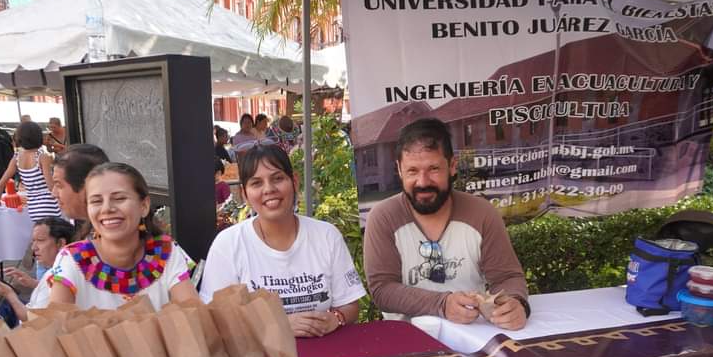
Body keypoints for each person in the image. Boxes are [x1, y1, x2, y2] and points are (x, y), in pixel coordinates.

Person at [364, 117, 529, 329]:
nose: (423, 182)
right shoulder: (383, 217)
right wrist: (442, 304)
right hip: (406, 335)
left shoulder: (482, 213)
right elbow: (382, 290)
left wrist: (516, 303)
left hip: (474, 333)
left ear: (452, 166)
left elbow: (507, 276)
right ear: (399, 169)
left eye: (433, 169)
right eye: (412, 171)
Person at [200, 143, 364, 337]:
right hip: (259, 354)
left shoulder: (326, 235)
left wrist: (336, 317)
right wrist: (277, 325)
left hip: (324, 349)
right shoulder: (228, 244)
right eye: (256, 183)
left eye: (277, 178)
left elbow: (350, 304)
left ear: (294, 181)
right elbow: (215, 317)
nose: (269, 189)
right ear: (245, 194)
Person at [48, 162, 201, 310]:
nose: (107, 208)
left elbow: (193, 313)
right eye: (96, 201)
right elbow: (57, 322)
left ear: (144, 206)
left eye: (119, 198)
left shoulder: (165, 251)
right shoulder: (72, 259)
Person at [0, 217, 75, 322]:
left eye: (40, 241)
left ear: (60, 243)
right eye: (33, 241)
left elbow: (31, 320)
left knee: (6, 306)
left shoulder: (60, 274)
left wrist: (10, 294)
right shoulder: (65, 267)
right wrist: (32, 283)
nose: (33, 247)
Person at [0, 121, 63, 223]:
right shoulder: (42, 157)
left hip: (33, 208)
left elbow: (1, 183)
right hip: (49, 205)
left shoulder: (16, 158)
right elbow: (50, 186)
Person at [52, 143, 109, 240]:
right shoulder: (95, 232)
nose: (54, 193)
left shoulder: (114, 238)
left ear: (86, 186)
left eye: (59, 185)